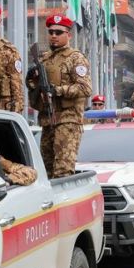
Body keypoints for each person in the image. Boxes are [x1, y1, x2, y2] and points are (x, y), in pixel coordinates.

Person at [26, 15, 91, 178]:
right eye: (51, 32)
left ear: (68, 35)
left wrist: (58, 90)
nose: (54, 35)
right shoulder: (45, 58)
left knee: (63, 170)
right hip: (48, 120)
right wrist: (32, 81)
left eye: (59, 32)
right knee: (46, 171)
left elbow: (85, 88)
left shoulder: (75, 58)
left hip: (68, 120)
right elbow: (36, 87)